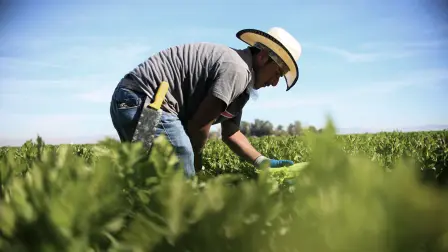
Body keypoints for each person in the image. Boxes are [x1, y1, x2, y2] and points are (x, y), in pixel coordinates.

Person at [109, 27, 302, 177]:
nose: (275, 82)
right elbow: (199, 125)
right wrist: (195, 164)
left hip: (130, 102)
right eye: (277, 73)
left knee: (145, 171)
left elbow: (231, 132)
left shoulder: (242, 82)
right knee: (181, 157)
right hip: (145, 101)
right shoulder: (237, 70)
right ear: (262, 57)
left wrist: (262, 161)